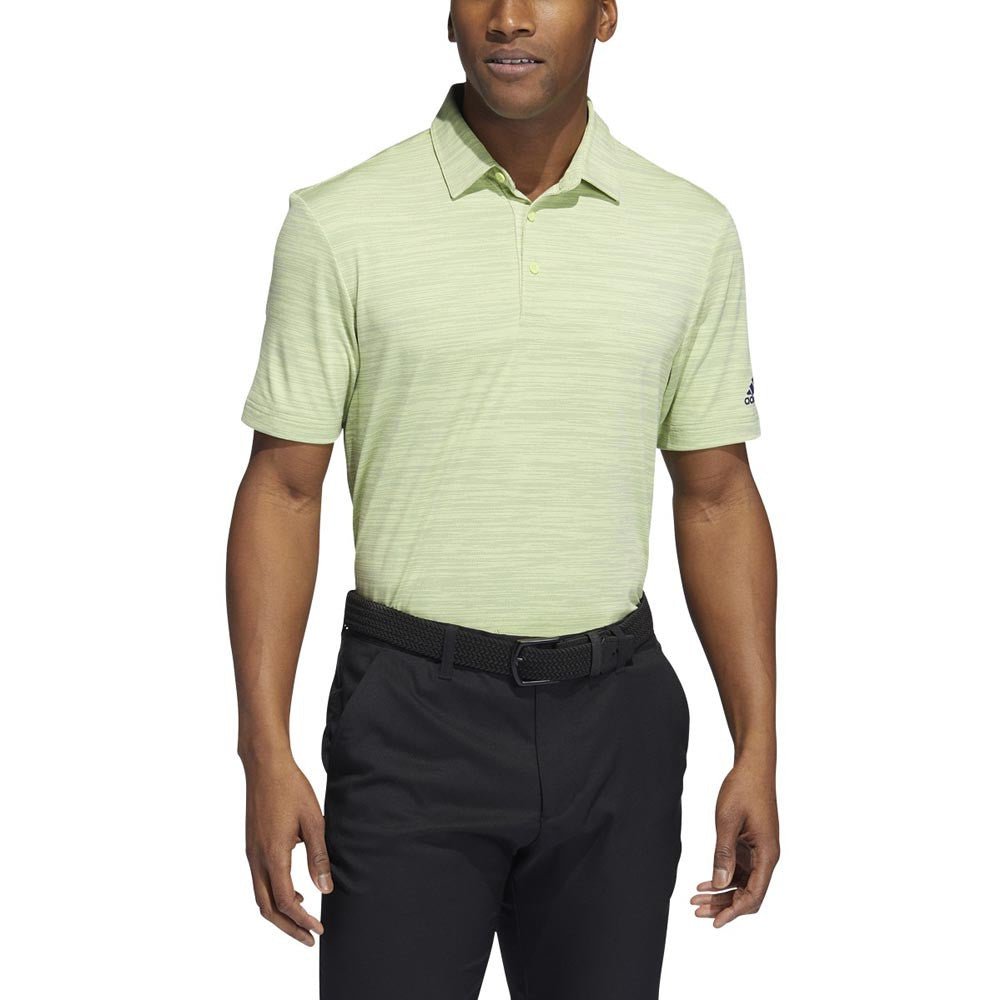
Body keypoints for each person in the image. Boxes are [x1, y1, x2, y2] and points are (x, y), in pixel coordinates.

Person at [227, 2, 779, 997]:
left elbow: (716, 496)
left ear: (604, 15)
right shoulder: (341, 221)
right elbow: (283, 487)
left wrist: (757, 747)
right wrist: (262, 750)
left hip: (617, 723)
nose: (509, 17)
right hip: (409, 719)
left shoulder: (688, 232)